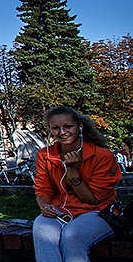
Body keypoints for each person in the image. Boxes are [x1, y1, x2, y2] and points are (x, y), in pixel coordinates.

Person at [33, 106, 121, 261]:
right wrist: (45, 206)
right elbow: (43, 189)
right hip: (62, 210)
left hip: (97, 212)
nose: (62, 132)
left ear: (79, 127)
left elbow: (94, 199)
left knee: (72, 236)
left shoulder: (102, 156)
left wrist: (72, 171)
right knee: (42, 231)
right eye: (55, 128)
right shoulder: (45, 155)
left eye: (68, 126)